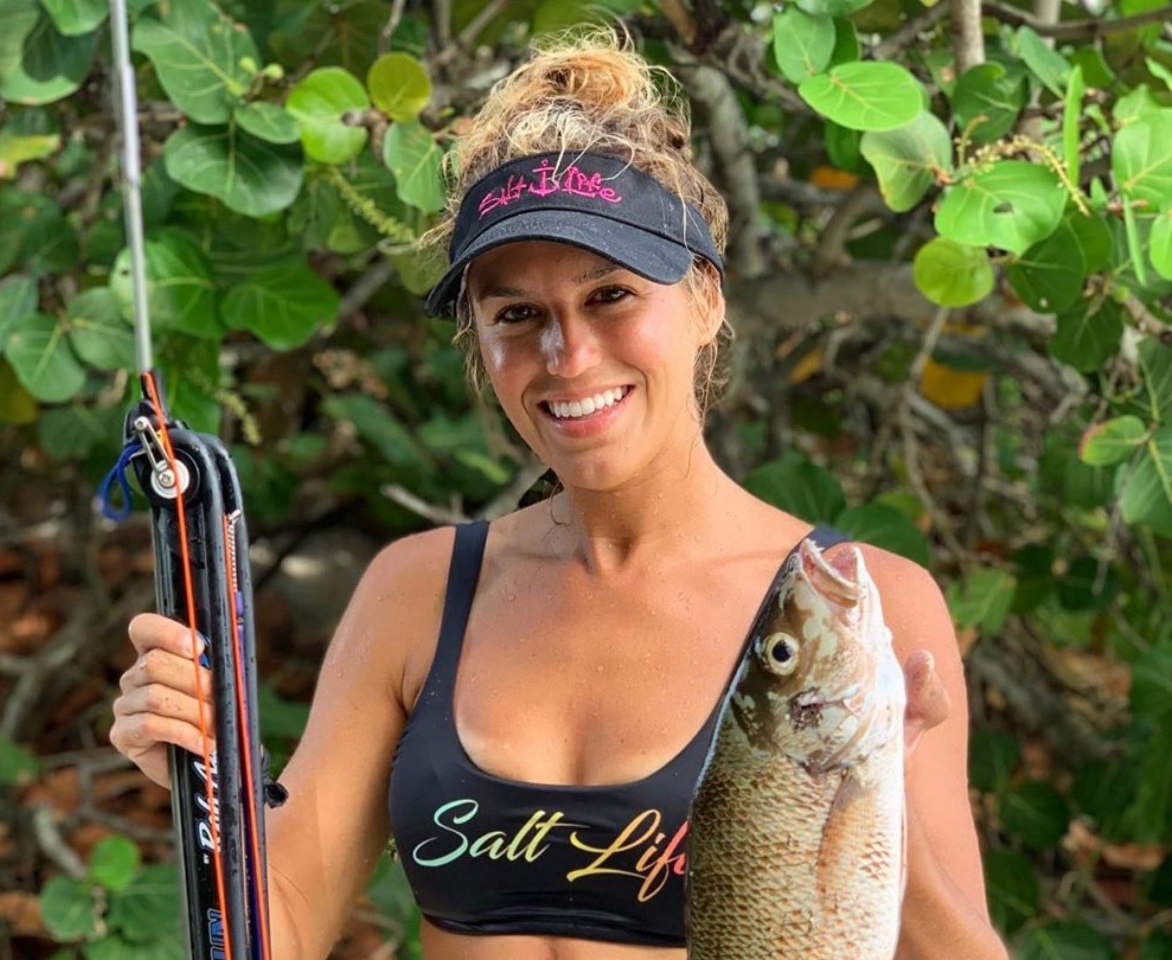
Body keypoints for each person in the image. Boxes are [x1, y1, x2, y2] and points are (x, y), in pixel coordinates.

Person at [109, 30, 1009, 960]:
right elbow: (277, 933)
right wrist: (211, 783)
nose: (568, 356)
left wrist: (867, 800)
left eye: (611, 295)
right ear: (479, 343)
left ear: (703, 299)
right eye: (517, 315)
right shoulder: (417, 591)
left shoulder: (856, 610)